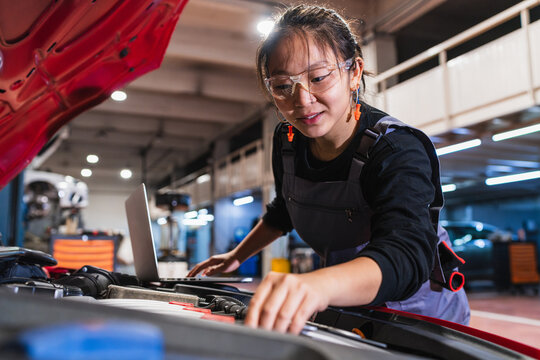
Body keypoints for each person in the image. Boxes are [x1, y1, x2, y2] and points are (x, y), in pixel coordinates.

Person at [188, 4, 470, 334]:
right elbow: (286, 210)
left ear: (353, 72)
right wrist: (237, 255)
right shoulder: (288, 141)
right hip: (348, 307)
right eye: (282, 86)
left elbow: (406, 256)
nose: (302, 100)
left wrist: (317, 285)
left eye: (319, 78)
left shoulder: (396, 149)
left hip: (418, 318)